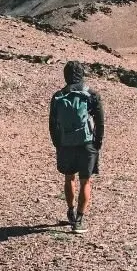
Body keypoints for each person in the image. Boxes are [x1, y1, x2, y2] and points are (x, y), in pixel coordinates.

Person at [49, 60, 105, 233]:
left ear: (65, 75)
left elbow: (52, 124)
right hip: (87, 143)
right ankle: (79, 220)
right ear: (82, 74)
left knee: (69, 178)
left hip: (66, 143)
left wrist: (58, 143)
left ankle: (70, 211)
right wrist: (97, 142)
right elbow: (100, 121)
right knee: (85, 181)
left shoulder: (58, 96)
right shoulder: (92, 94)